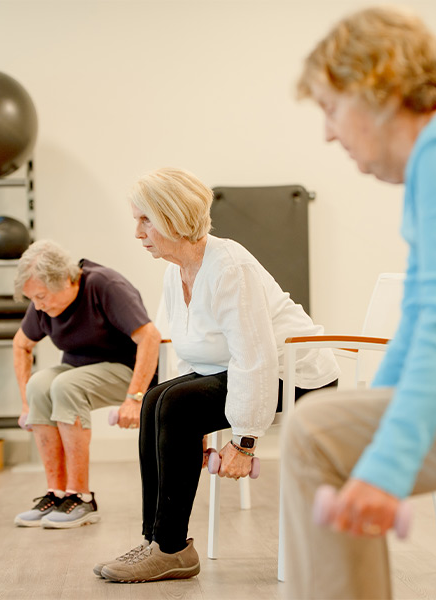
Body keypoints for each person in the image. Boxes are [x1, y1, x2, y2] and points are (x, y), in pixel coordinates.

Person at [281, 6, 436, 598]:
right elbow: (422, 318)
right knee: (328, 427)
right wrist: (375, 430)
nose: (327, 132)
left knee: (316, 432)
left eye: (330, 108)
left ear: (378, 89)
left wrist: (385, 467)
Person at [93, 167, 340, 582]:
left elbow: (255, 357)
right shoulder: (177, 270)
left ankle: (171, 549)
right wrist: (198, 428)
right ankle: (156, 542)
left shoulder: (229, 267)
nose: (138, 233)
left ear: (173, 218)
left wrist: (243, 442)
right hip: (244, 371)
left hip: (297, 376)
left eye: (145, 220)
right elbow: (191, 353)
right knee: (158, 398)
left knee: (176, 403)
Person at [12, 240, 160, 529]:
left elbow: (150, 337)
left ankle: (81, 498)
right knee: (39, 384)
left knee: (65, 385)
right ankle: (57, 495)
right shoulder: (42, 303)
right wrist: (26, 404)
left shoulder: (104, 285)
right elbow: (21, 345)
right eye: (33, 300)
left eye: (41, 297)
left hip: (128, 371)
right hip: (79, 370)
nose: (38, 306)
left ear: (66, 279)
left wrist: (135, 397)